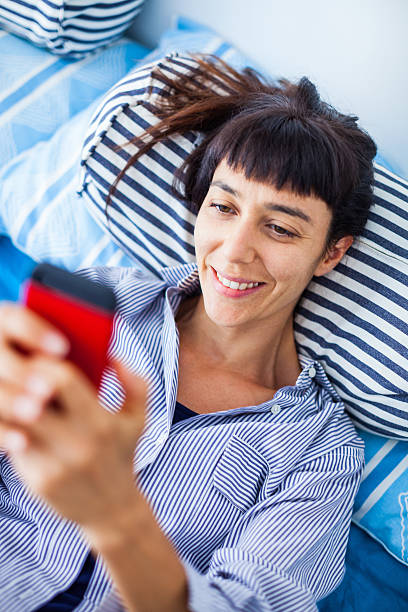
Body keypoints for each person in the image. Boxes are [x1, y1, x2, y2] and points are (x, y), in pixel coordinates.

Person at [0, 54, 377, 611]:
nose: (234, 251)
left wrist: (115, 516)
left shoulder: (316, 450)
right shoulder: (111, 300)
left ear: (331, 253)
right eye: (223, 207)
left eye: (279, 227)